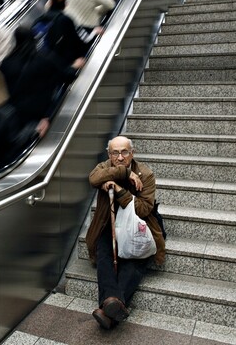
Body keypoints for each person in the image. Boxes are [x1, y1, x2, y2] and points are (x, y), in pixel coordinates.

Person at [86, 136, 165, 329]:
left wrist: (119, 189)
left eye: (124, 152)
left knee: (133, 261)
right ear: (109, 154)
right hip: (109, 225)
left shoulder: (146, 174)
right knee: (104, 253)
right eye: (115, 153)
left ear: (132, 153)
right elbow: (93, 178)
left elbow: (145, 209)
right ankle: (113, 305)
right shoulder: (104, 167)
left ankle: (108, 309)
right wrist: (125, 172)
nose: (120, 157)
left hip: (140, 227)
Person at [0, 27, 84, 139]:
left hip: (18, 111)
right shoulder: (44, 57)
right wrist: (74, 66)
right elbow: (67, 76)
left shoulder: (5, 63)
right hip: (42, 110)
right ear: (33, 39)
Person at [31, 0, 90, 66]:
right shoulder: (64, 19)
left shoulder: (36, 22)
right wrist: (93, 35)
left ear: (50, 4)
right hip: (69, 62)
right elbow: (79, 40)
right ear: (65, 5)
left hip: (48, 65)